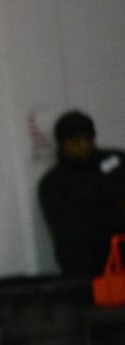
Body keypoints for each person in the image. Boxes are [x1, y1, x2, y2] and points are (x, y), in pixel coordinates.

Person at [38, 110, 125, 278]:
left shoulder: (117, 160)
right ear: (63, 144)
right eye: (75, 141)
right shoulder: (53, 182)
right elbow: (67, 227)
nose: (84, 146)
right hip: (86, 263)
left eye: (88, 139)